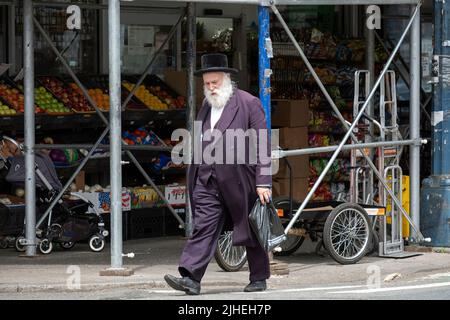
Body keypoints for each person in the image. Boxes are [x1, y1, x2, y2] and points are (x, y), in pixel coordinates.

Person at [164, 53, 272, 295]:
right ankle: (191, 277)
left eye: (215, 82)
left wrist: (263, 181)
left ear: (227, 79)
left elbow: (263, 144)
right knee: (204, 225)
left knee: (249, 226)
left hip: (239, 179)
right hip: (207, 179)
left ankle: (259, 276)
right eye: (207, 84)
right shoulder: (205, 106)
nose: (211, 88)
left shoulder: (248, 103)